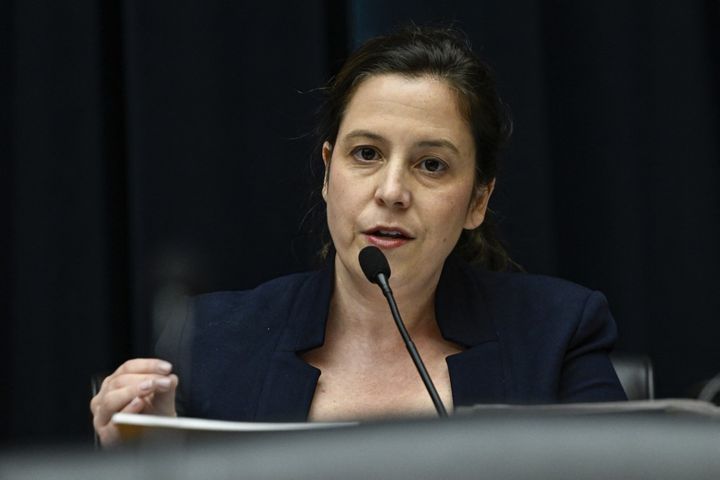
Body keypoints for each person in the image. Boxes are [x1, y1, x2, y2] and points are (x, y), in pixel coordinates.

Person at [91, 25, 626, 446]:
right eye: (366, 154)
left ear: (477, 201)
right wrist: (148, 456)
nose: (392, 191)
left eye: (432, 164)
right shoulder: (213, 343)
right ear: (328, 172)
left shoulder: (557, 335)